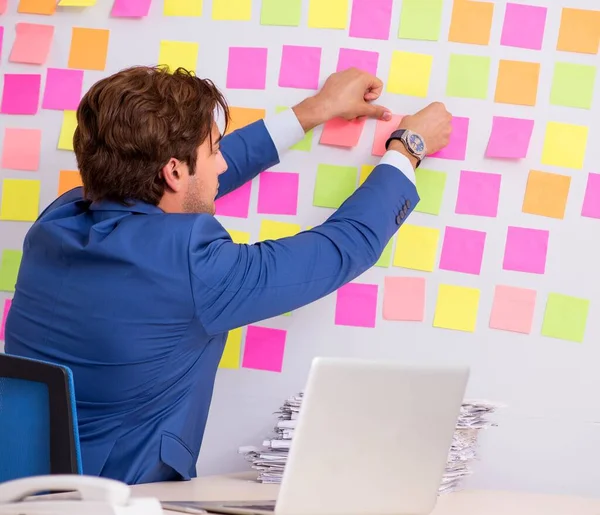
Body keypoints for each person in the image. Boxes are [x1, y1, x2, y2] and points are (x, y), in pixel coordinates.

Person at [4, 65, 452, 485]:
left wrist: (314, 111)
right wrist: (408, 148)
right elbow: (340, 247)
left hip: (23, 490)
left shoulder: (59, 220)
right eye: (214, 150)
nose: (222, 163)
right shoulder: (194, 267)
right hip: (121, 500)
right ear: (174, 170)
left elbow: (184, 179)